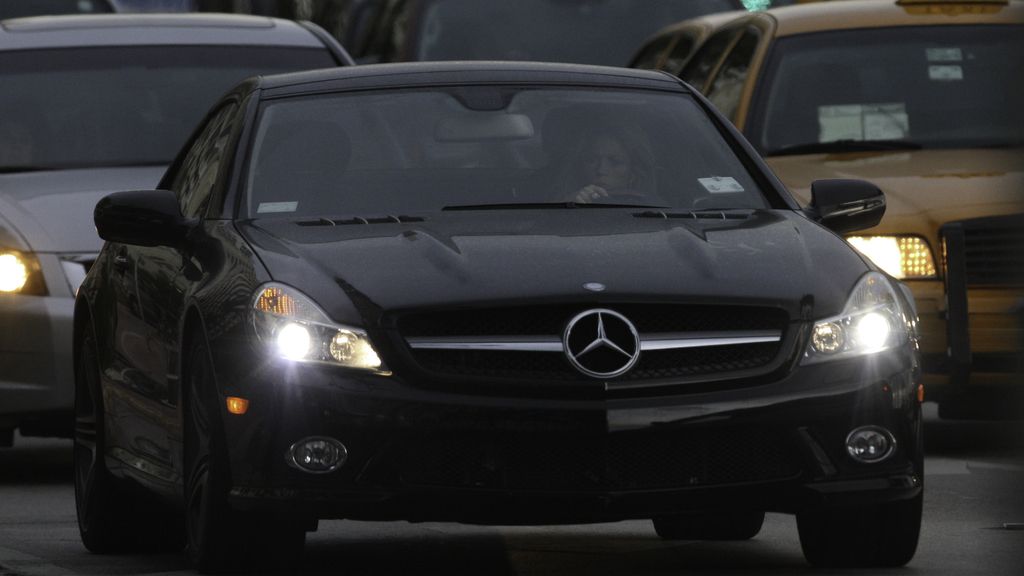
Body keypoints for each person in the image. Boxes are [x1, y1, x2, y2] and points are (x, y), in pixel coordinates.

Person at [558, 122, 658, 204]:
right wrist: (567, 204)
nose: (601, 170)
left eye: (615, 162)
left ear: (633, 170)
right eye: (592, 160)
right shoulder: (565, 201)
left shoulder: (653, 210)